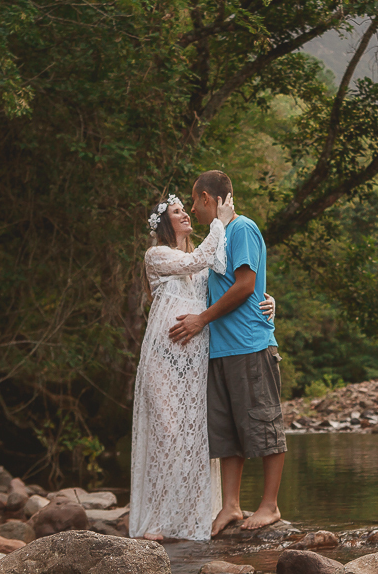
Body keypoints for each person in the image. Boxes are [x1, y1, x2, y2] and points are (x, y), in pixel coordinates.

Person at [129, 191, 274, 541]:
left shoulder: (202, 258)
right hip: (165, 354)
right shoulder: (158, 255)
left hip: (195, 357)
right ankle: (157, 521)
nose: (186, 215)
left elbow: (233, 283)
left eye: (186, 209)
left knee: (195, 435)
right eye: (178, 211)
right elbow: (197, 260)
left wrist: (268, 300)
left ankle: (191, 514)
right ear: (164, 222)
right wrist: (221, 224)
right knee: (167, 432)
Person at [169, 170, 286, 536]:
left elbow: (246, 285)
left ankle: (270, 506)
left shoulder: (242, 229)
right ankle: (231, 506)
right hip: (220, 350)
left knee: (264, 424)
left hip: (250, 345)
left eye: (193, 200)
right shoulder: (216, 237)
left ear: (207, 197)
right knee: (226, 432)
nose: (191, 208)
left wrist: (201, 320)